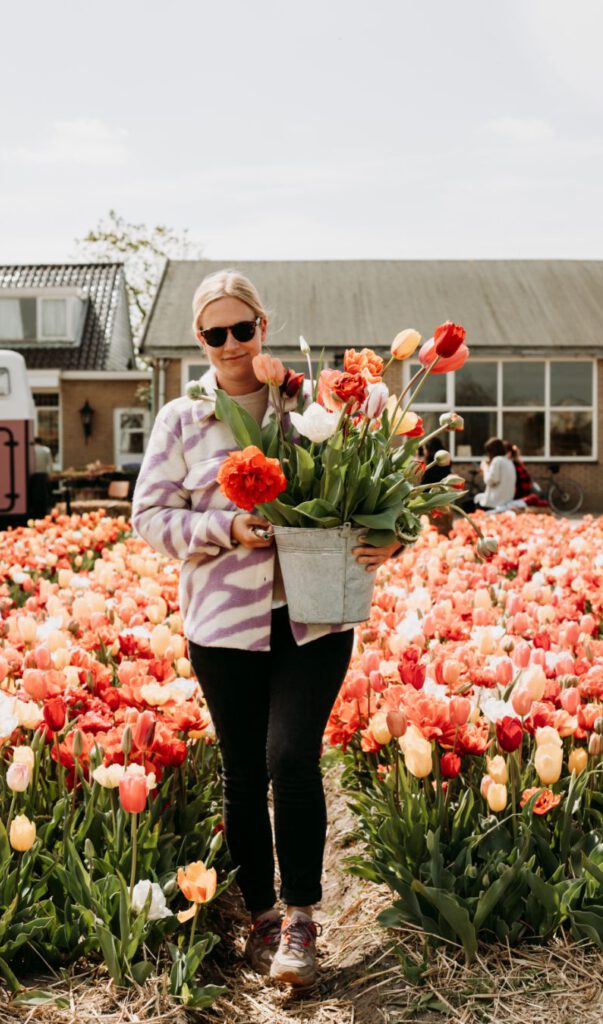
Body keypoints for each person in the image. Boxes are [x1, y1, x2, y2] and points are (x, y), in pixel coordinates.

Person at [132, 269, 401, 987]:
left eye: (240, 329)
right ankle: (260, 918)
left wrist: (393, 529)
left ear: (262, 326)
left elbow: (385, 440)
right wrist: (227, 526)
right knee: (243, 771)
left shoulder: (305, 400)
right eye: (212, 333)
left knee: (291, 757)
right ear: (198, 339)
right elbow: (149, 516)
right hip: (222, 622)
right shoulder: (181, 418)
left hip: (314, 614)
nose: (227, 344)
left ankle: (304, 918)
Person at [474, 437, 516, 512]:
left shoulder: (497, 460)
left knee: (474, 501)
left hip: (495, 503)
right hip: (507, 501)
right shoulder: (509, 461)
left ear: (491, 451)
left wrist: (485, 468)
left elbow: (490, 481)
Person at [30, 436, 54, 517]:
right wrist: (49, 474)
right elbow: (50, 464)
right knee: (43, 495)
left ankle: (35, 512)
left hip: (33, 475)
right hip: (43, 474)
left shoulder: (32, 450)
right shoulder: (46, 450)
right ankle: (43, 513)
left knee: (34, 494)